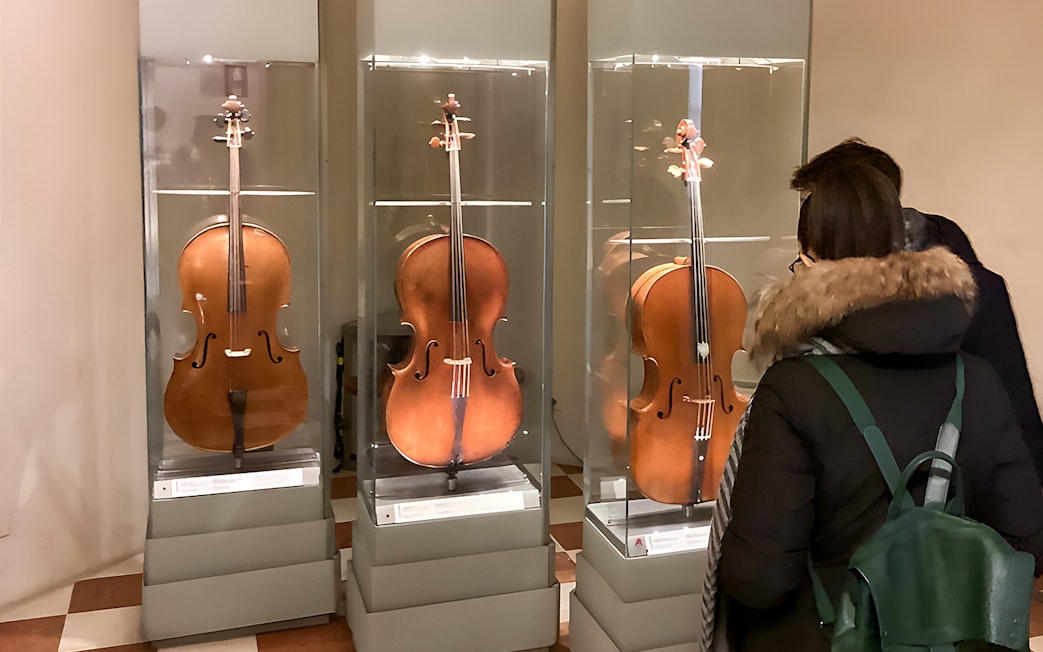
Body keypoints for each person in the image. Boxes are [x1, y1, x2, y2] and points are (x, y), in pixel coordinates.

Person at [713, 163, 1043, 650]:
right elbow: (1028, 539)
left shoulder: (793, 388)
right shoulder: (978, 378)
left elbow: (760, 579)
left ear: (809, 262)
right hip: (949, 636)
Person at [791, 138, 1043, 484]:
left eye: (828, 203)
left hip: (950, 505)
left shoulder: (962, 291)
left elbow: (1017, 420)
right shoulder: (828, 293)